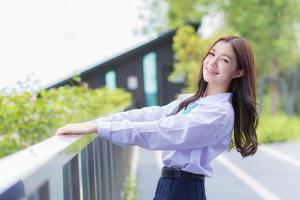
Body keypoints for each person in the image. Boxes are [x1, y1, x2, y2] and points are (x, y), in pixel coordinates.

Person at [56, 35, 259, 200]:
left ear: (238, 72)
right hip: (170, 185)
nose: (212, 63)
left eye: (224, 60)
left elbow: (163, 130)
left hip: (184, 190)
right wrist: (99, 122)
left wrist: (101, 129)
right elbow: (151, 114)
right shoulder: (193, 100)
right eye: (212, 54)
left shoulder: (218, 113)